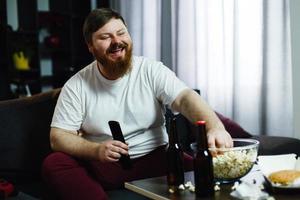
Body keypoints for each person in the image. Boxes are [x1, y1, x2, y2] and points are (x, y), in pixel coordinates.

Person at [42, 8, 233, 200]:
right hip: (106, 165)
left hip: (158, 160)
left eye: (121, 33)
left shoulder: (150, 69)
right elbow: (58, 137)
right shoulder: (76, 85)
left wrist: (215, 127)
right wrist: (96, 150)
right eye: (105, 37)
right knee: (55, 163)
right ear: (90, 46)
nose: (117, 42)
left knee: (211, 172)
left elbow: (184, 98)